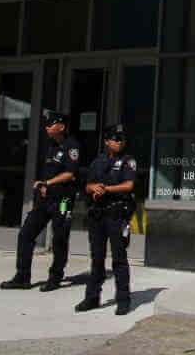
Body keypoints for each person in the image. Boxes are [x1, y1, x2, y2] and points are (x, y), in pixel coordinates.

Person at [0, 110, 80, 291]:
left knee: (59, 239)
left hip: (63, 200)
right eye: (47, 124)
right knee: (26, 234)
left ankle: (55, 277)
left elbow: (70, 173)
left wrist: (48, 182)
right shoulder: (51, 146)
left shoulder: (71, 146)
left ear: (61, 126)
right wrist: (44, 187)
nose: (47, 127)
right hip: (45, 200)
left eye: (51, 124)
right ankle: (22, 277)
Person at [75, 123, 136, 315]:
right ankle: (92, 297)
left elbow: (128, 185)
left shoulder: (128, 161)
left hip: (116, 215)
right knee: (97, 259)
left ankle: (123, 300)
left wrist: (107, 189)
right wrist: (92, 188)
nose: (119, 142)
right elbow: (87, 185)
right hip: (98, 215)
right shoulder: (98, 161)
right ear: (106, 141)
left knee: (119, 258)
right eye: (116, 139)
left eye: (122, 139)